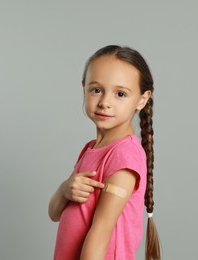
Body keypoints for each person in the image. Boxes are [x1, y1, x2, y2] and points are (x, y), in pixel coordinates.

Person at [48, 45, 161, 260]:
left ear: (142, 99)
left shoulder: (124, 156)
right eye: (96, 90)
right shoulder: (91, 149)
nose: (104, 102)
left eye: (120, 94)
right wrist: (64, 190)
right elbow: (54, 213)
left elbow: (101, 232)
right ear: (84, 88)